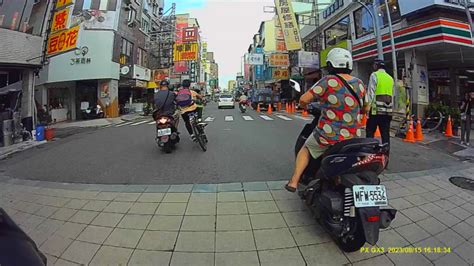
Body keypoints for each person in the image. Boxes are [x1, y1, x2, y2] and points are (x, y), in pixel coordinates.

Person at [285, 48, 367, 192]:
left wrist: (304, 105)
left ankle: (294, 181)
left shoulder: (328, 81)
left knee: (306, 148)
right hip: (354, 137)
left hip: (328, 135)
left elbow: (304, 99)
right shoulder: (359, 83)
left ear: (330, 65)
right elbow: (366, 108)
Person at [365, 59, 394, 149]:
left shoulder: (374, 75)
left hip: (375, 110)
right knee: (385, 134)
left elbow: (371, 92)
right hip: (388, 111)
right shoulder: (390, 78)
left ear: (376, 66)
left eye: (374, 65)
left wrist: (367, 107)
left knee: (370, 131)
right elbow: (393, 94)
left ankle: (370, 151)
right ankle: (386, 152)